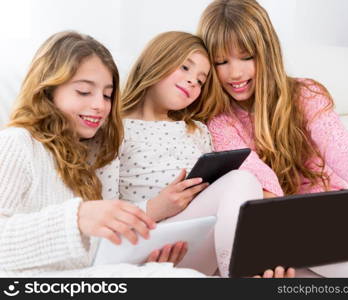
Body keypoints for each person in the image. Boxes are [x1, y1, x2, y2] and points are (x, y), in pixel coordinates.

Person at [195, 0, 348, 277]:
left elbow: (340, 146)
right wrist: (274, 226)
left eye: (246, 57)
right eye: (221, 62)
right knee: (322, 256)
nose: (235, 73)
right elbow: (254, 171)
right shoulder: (218, 121)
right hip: (298, 229)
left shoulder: (305, 94)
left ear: (267, 52)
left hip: (344, 206)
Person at [0, 31, 206, 278]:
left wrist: (148, 259)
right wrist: (76, 219)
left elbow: (94, 256)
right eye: (84, 92)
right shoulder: (17, 143)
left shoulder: (81, 161)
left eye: (107, 95)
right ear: (48, 91)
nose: (100, 105)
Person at [98, 31, 295, 278]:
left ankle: (251, 270)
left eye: (201, 80)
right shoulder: (114, 129)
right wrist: (156, 207)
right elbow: (102, 213)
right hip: (148, 244)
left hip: (198, 243)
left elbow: (222, 201)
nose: (193, 81)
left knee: (297, 265)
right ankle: (244, 274)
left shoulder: (197, 130)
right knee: (241, 179)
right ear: (156, 61)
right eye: (185, 68)